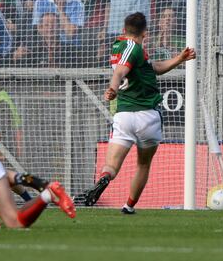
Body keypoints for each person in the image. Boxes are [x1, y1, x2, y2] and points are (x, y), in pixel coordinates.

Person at [75, 12, 196, 213]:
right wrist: (112, 87)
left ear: (124, 29)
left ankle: (104, 180)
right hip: (147, 116)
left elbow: (153, 68)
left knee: (111, 166)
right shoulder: (134, 48)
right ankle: (129, 206)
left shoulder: (118, 46)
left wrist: (180, 58)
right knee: (143, 165)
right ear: (145, 33)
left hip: (124, 116)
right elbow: (119, 72)